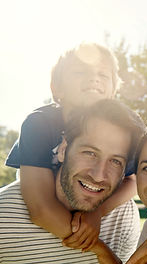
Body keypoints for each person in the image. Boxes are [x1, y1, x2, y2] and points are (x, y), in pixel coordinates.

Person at [5, 42, 137, 251]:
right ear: (57, 87)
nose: (94, 78)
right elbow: (41, 209)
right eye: (80, 71)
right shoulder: (39, 124)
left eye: (103, 75)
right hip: (42, 198)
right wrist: (99, 250)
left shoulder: (123, 130)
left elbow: (134, 179)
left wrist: (97, 213)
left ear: (113, 91)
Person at [0, 99, 146, 263]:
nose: (98, 176)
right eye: (90, 153)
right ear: (62, 150)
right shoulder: (4, 215)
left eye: (115, 161)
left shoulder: (123, 215)